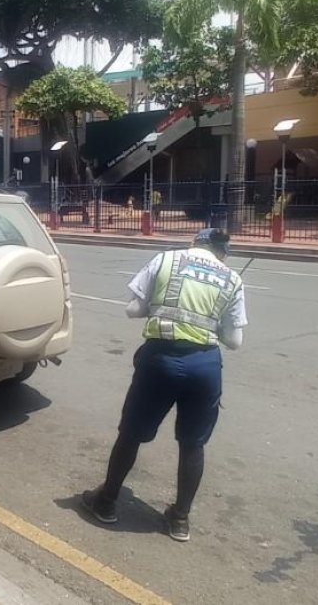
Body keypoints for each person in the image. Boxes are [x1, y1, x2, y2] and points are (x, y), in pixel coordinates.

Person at [81, 228, 247, 542]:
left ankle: (106, 502)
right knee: (193, 443)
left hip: (160, 360)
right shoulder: (232, 278)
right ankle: (180, 520)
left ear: (195, 243)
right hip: (205, 367)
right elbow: (234, 341)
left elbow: (133, 309)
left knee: (131, 434)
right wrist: (213, 325)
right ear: (221, 252)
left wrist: (156, 310)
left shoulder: (166, 259)